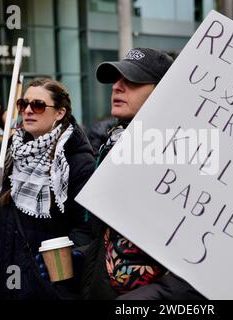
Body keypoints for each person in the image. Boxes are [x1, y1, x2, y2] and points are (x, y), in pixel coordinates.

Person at [81, 48, 203, 300]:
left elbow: (207, 256)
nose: (116, 87)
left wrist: (155, 297)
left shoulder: (191, 156)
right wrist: (81, 258)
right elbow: (106, 234)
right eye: (116, 80)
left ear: (163, 90)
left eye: (132, 81)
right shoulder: (115, 144)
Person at [0, 78, 96, 299]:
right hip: (12, 269)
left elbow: (86, 229)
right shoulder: (16, 152)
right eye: (23, 104)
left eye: (38, 105)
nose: (27, 110)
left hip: (50, 281)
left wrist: (65, 263)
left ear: (60, 113)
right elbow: (11, 212)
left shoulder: (77, 161)